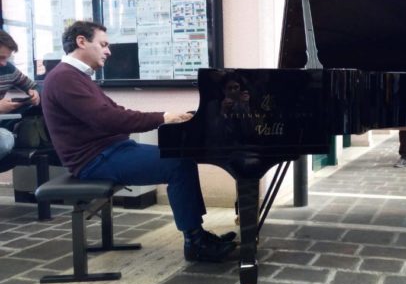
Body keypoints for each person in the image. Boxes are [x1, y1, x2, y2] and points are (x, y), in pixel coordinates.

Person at [41, 21, 236, 262]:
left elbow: (114, 111)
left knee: (182, 155)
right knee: (179, 163)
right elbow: (107, 118)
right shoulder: (64, 78)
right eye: (103, 44)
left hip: (112, 150)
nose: (109, 51)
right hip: (94, 160)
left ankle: (198, 236)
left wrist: (166, 117)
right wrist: (162, 118)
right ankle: (195, 242)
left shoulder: (75, 77)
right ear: (81, 41)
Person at [0, 31, 41, 160]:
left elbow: (33, 86)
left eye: (6, 58)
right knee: (5, 140)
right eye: (1, 57)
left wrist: (35, 93)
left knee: (6, 139)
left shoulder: (8, 69)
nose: (4, 63)